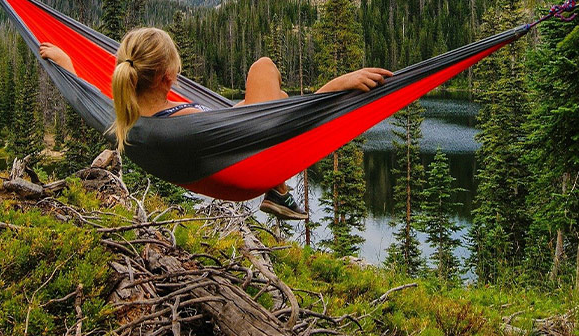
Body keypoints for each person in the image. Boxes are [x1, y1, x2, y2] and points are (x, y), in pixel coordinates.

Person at [39, 27, 392, 220]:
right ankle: (278, 188)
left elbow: (88, 98)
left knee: (276, 94)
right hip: (245, 170)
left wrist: (68, 66)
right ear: (168, 77)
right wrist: (334, 89)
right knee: (263, 67)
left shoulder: (123, 118)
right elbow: (279, 129)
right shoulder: (185, 125)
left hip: (223, 153)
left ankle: (280, 190)